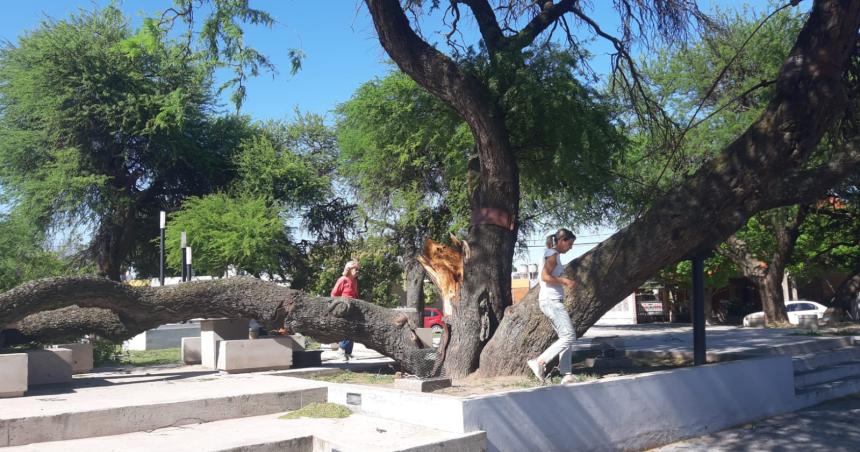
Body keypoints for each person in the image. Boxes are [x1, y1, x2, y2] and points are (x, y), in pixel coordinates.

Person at [527, 228, 577, 384]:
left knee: (565, 337)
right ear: (562, 241)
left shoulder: (551, 253)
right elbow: (545, 276)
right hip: (551, 302)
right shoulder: (553, 255)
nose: (571, 247)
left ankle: (567, 374)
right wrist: (564, 281)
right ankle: (540, 362)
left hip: (550, 302)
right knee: (569, 336)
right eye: (570, 243)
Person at [331, 260, 360, 361]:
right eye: (355, 269)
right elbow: (334, 294)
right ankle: (342, 351)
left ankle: (348, 353)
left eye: (358, 269)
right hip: (343, 309)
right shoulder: (342, 279)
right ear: (349, 269)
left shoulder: (355, 281)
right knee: (346, 329)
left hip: (353, 308)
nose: (357, 271)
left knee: (352, 330)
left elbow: (355, 295)